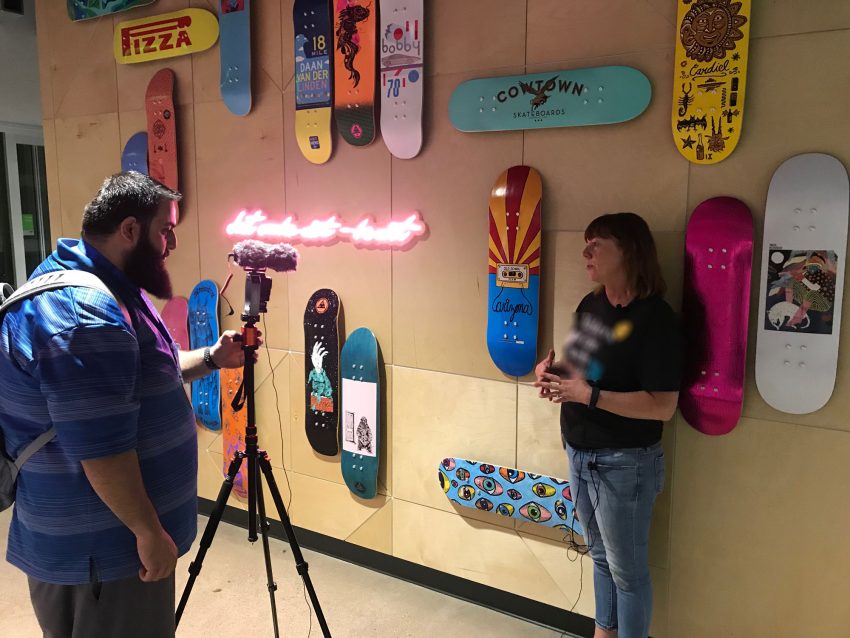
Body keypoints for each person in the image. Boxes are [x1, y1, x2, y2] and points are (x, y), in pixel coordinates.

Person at [0, 172, 255, 638]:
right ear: (131, 230)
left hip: (109, 549)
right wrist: (148, 533)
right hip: (106, 555)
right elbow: (101, 449)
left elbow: (141, 375)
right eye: (166, 229)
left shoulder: (112, 289)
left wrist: (212, 358)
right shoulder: (85, 313)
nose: (173, 241)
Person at [533, 212, 681, 638]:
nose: (586, 252)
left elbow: (663, 405)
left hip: (625, 462)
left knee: (628, 573)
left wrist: (588, 395)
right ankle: (604, 632)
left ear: (629, 251)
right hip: (579, 451)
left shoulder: (656, 320)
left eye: (597, 243)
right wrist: (552, 374)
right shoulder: (590, 305)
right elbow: (578, 369)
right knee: (598, 557)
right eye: (586, 242)